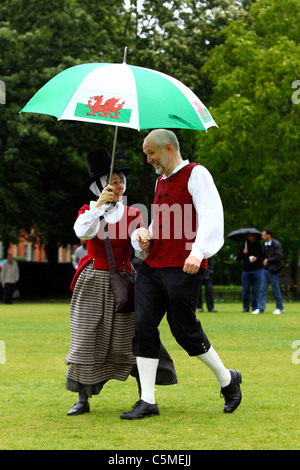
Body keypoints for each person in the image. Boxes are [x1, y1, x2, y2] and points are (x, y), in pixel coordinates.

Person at [121, 129, 242, 420]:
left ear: (168, 148)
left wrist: (198, 252)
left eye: (151, 153)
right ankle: (147, 400)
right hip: (152, 266)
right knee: (143, 326)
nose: (148, 159)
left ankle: (227, 379)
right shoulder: (160, 180)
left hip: (184, 265)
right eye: (146, 154)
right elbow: (164, 223)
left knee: (183, 329)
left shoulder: (197, 174)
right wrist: (145, 235)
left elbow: (211, 214)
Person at [65, 147, 177, 416]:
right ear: (99, 186)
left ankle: (145, 395)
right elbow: (82, 232)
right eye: (113, 181)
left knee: (132, 337)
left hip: (125, 283)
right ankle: (82, 397)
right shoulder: (88, 211)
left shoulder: (133, 214)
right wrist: (99, 208)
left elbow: (140, 251)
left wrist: (143, 241)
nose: (119, 184)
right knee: (85, 336)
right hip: (91, 281)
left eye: (121, 180)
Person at [253, 229, 284, 315]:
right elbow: (263, 258)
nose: (262, 236)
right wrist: (258, 259)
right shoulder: (264, 245)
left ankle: (279, 308)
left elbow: (279, 256)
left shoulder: (276, 244)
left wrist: (269, 260)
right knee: (262, 289)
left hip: (274, 271)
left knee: (275, 289)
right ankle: (260, 308)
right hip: (265, 270)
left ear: (269, 235)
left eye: (263, 235)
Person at [237, 233, 262, 312]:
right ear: (247, 237)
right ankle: (246, 307)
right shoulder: (244, 246)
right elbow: (238, 258)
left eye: (253, 235)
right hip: (246, 271)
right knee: (246, 290)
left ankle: (255, 307)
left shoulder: (259, 246)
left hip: (256, 270)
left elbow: (262, 257)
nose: (252, 237)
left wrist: (256, 259)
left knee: (255, 290)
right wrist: (243, 253)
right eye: (250, 236)